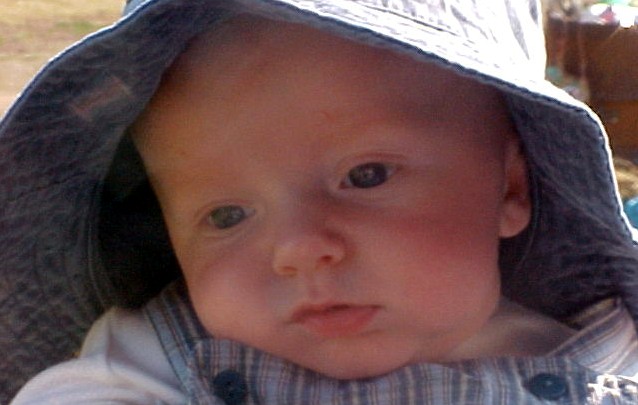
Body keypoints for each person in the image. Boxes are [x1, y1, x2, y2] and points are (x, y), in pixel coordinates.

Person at [2, 0, 638, 403]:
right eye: (226, 216)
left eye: (366, 176)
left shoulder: (607, 363)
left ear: (510, 187)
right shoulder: (159, 357)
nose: (298, 250)